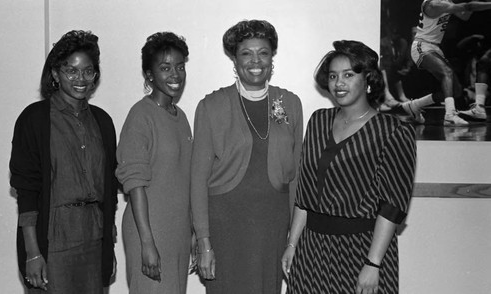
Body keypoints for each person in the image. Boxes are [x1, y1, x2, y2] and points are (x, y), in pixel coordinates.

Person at [282, 40, 417, 293]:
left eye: (348, 75)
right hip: (311, 249)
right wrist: (292, 244)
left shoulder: (393, 130)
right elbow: (304, 194)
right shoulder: (318, 121)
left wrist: (373, 263)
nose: (338, 83)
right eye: (333, 76)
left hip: (362, 250)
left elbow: (392, 205)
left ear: (368, 80)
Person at [191, 19, 303, 293]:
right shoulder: (211, 106)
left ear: (272, 57)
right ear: (235, 59)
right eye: (246, 53)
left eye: (263, 52)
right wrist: (204, 242)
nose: (256, 61)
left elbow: (297, 178)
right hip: (226, 226)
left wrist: (294, 239)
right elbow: (197, 181)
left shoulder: (290, 103)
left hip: (272, 227)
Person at [10, 30, 118, 293]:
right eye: (71, 70)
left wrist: (108, 249)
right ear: (55, 74)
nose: (80, 79)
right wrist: (33, 253)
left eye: (88, 71)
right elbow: (26, 192)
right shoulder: (34, 119)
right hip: (53, 239)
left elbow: (109, 191)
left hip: (94, 237)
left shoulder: (103, 122)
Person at [115, 32, 192, 294]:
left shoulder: (180, 116)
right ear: (149, 75)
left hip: (177, 231)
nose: (175, 75)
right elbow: (135, 184)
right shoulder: (140, 115)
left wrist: (191, 229)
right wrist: (147, 243)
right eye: (165, 68)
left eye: (180, 67)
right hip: (149, 230)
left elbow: (181, 178)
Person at [406, 0, 491, 125]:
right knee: (447, 72)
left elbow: (465, 15)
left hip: (435, 47)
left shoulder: (447, 2)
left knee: (455, 90)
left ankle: (415, 105)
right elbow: (468, 6)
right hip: (422, 45)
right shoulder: (433, 4)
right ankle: (450, 115)